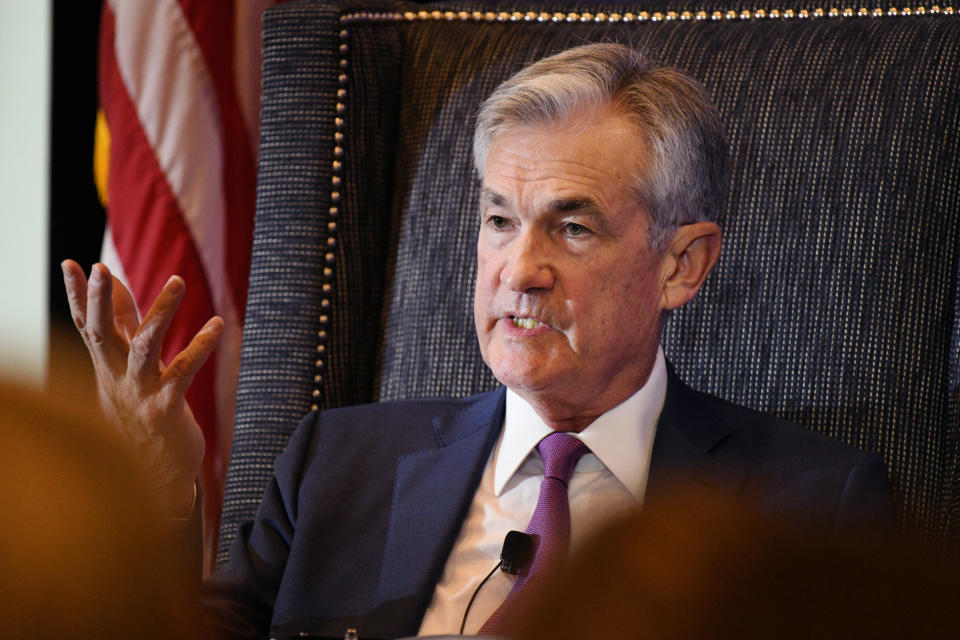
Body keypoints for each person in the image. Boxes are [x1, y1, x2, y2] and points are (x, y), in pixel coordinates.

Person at [61, 43, 892, 639]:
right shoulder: (338, 467)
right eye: (499, 219)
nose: (518, 270)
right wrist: (161, 493)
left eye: (571, 228)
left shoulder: (809, 508)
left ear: (682, 264)